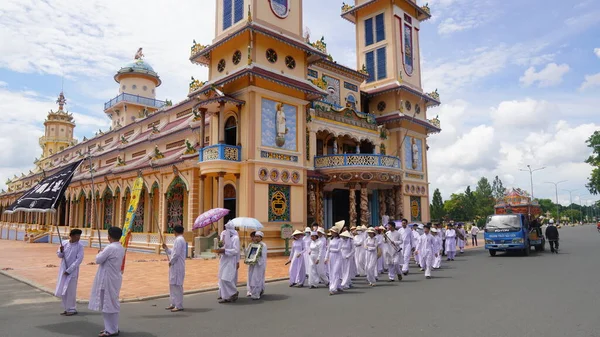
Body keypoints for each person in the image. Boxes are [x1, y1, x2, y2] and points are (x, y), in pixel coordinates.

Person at [89, 227, 125, 337]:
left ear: (109, 236)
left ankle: (110, 330)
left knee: (107, 303)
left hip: (107, 279)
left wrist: (99, 253)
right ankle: (111, 327)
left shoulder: (110, 248)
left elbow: (98, 260)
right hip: (114, 278)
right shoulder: (121, 247)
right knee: (111, 302)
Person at [55, 229, 84, 316]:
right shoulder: (64, 243)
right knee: (63, 289)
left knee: (71, 290)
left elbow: (79, 260)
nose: (78, 238)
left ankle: (72, 308)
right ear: (71, 236)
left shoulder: (80, 246)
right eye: (76, 236)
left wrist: (70, 270)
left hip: (72, 271)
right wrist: (61, 251)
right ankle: (66, 308)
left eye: (79, 236)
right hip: (63, 269)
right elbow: (60, 256)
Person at [163, 225, 186, 312]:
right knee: (172, 284)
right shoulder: (178, 240)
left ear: (175, 231)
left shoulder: (179, 240)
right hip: (174, 266)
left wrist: (171, 262)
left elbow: (176, 254)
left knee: (177, 285)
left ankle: (179, 305)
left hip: (178, 266)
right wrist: (166, 249)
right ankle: (173, 303)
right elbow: (173, 252)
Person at [216, 222, 240, 303]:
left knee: (226, 278)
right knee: (221, 278)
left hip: (230, 260)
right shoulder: (224, 236)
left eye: (228, 228)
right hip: (223, 259)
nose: (227, 230)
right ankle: (226, 296)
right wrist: (220, 247)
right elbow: (222, 246)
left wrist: (225, 251)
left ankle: (233, 292)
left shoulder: (235, 238)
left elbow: (236, 251)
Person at [246, 231, 267, 300]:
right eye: (255, 236)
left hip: (259, 265)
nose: (256, 238)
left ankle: (257, 293)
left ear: (261, 238)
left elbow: (263, 256)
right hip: (252, 264)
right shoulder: (251, 244)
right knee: (250, 277)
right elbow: (248, 253)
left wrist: (256, 258)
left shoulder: (263, 245)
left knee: (256, 278)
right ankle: (251, 291)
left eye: (258, 237)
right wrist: (244, 248)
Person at [325, 227, 343, 295]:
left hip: (338, 257)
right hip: (331, 257)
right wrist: (326, 258)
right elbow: (328, 249)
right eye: (331, 232)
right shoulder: (331, 240)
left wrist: (331, 250)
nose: (332, 233)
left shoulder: (340, 240)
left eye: (333, 232)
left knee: (335, 272)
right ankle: (337, 285)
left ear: (336, 233)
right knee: (331, 272)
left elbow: (338, 249)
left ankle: (333, 288)